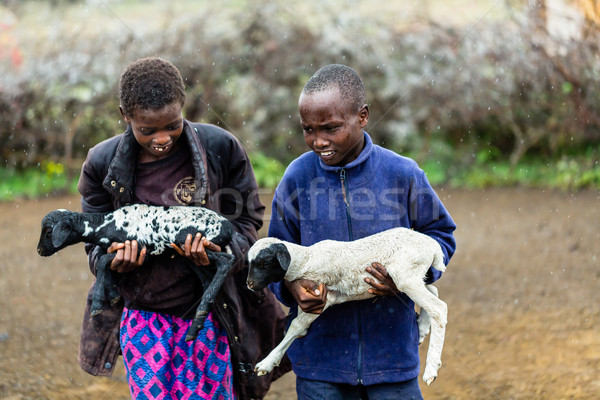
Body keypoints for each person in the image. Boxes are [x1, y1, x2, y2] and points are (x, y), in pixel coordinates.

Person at [76, 57, 289, 400]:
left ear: (183, 107)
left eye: (172, 126)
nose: (162, 138)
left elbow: (248, 222)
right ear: (124, 115)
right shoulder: (102, 164)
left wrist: (221, 253)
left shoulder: (220, 148)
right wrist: (115, 261)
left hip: (213, 315)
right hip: (144, 318)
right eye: (147, 130)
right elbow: (95, 241)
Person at [267, 64, 457, 399]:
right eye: (308, 130)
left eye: (331, 128)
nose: (318, 141)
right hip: (320, 363)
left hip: (392, 359)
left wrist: (408, 276)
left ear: (363, 116)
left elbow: (440, 236)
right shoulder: (297, 178)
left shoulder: (401, 174)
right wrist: (292, 288)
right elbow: (276, 256)